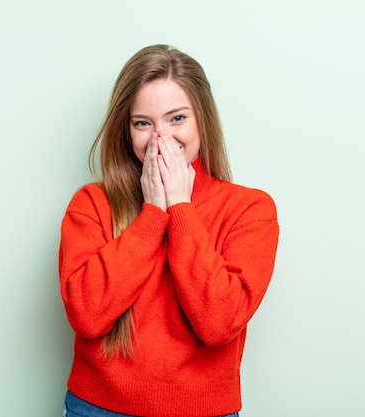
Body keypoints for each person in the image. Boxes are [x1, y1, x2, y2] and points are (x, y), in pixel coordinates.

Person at [58, 44, 279, 417]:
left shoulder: (251, 209)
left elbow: (219, 323)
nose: (160, 138)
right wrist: (152, 214)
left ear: (203, 121)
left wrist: (180, 208)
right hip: (98, 408)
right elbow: (87, 314)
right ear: (126, 130)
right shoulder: (92, 203)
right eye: (143, 123)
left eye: (177, 119)